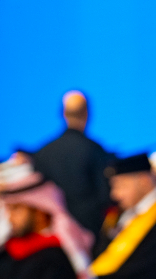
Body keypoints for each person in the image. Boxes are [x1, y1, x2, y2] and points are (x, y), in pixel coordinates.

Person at [33, 91, 111, 244]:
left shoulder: (43, 153)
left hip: (54, 237)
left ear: (63, 113)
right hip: (91, 233)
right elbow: (105, 196)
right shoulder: (95, 151)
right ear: (87, 113)